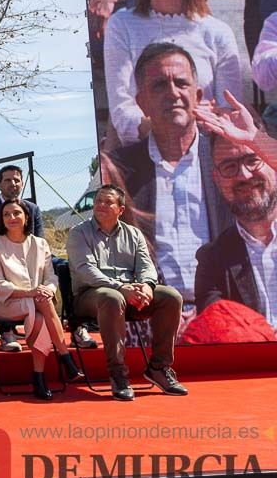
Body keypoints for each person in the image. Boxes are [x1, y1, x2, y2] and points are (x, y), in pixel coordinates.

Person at [105, 43, 232, 305]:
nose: (173, 93)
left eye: (182, 83)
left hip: (221, 314)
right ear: (142, 102)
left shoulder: (230, 163)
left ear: (197, 95)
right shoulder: (119, 172)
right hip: (153, 317)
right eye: (160, 85)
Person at [103, 0, 243, 147]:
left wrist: (192, 122)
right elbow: (122, 111)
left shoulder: (218, 32)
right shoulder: (122, 26)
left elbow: (230, 110)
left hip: (209, 150)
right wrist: (173, 123)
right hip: (145, 155)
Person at [66, 184, 188, 401]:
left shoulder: (134, 234)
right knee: (111, 297)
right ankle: (118, 374)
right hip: (91, 295)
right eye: (98, 201)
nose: (100, 205)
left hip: (130, 293)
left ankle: (159, 368)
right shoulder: (78, 233)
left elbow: (146, 265)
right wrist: (120, 287)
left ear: (120, 209)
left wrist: (147, 287)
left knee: (171, 297)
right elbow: (86, 271)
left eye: (107, 202)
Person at [0, 198, 83, 400]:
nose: (12, 217)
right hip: (3, 303)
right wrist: (31, 292)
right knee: (41, 303)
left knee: (39, 316)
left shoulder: (40, 243)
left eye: (16, 213)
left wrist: (48, 289)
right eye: (6, 214)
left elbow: (51, 277)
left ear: (26, 216)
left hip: (37, 302)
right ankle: (65, 356)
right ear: (1, 219)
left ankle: (39, 378)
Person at [196, 110, 277, 333]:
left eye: (253, 160)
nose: (244, 175)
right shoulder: (212, 262)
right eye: (230, 166)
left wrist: (255, 139)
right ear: (217, 179)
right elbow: (222, 337)